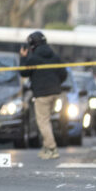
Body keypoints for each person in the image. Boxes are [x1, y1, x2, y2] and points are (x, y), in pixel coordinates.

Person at [19, 31, 66, 160]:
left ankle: (52, 148)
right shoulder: (55, 57)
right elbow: (64, 74)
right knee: (47, 121)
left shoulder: (33, 59)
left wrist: (23, 57)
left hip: (42, 94)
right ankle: (46, 148)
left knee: (43, 122)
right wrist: (56, 84)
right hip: (55, 93)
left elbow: (23, 73)